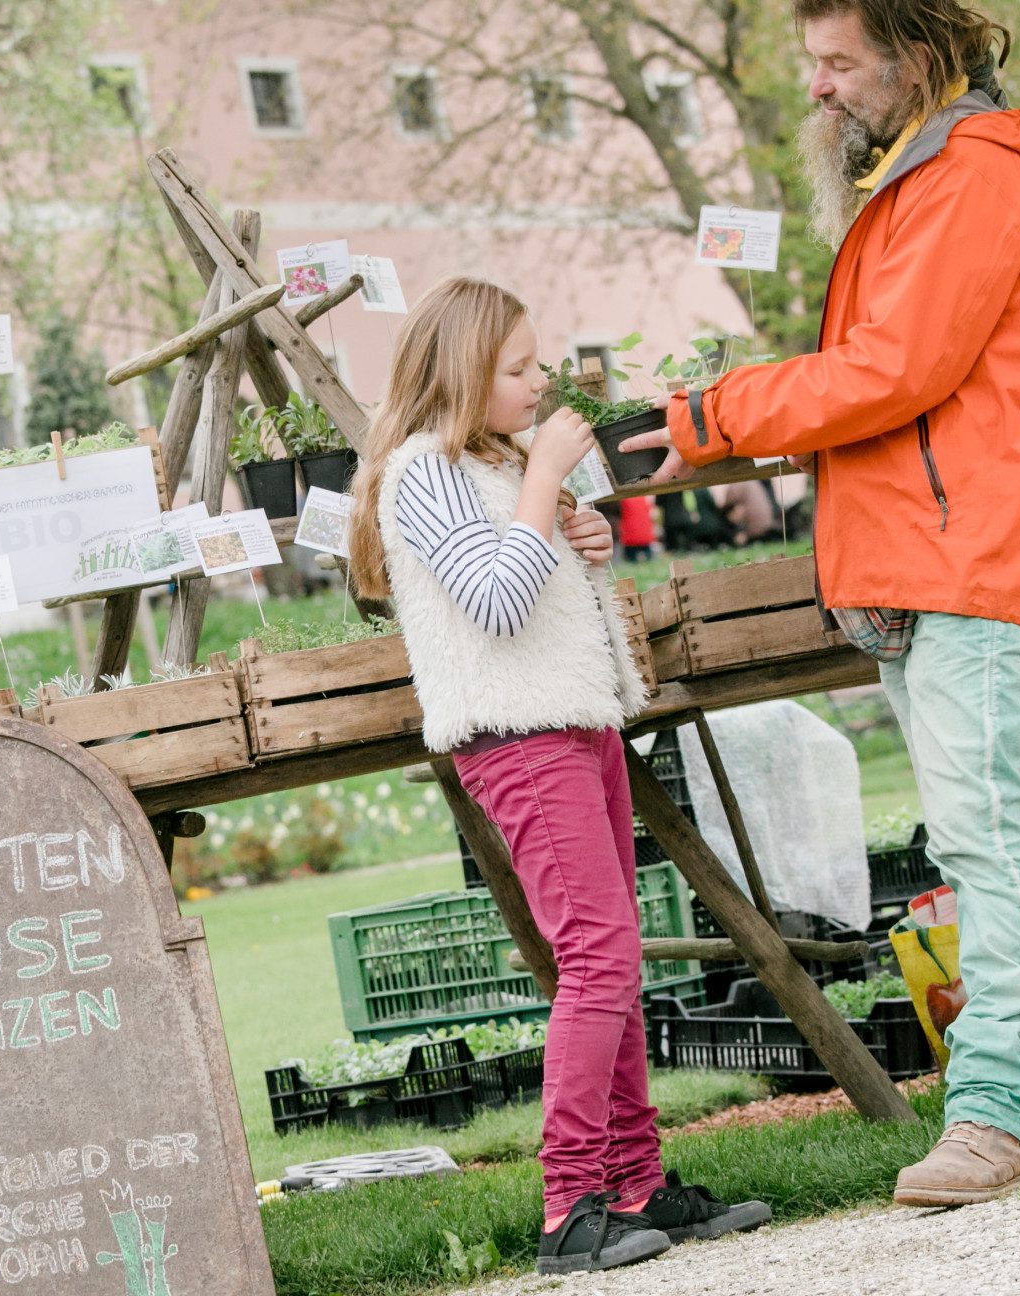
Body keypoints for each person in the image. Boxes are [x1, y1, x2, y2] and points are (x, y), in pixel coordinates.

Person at [622, 0, 1020, 1208]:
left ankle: (990, 1112)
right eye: (809, 63)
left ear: (914, 61)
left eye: (836, 63)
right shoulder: (923, 179)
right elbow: (893, 378)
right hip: (935, 553)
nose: (815, 88)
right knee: (1005, 838)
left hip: (971, 551)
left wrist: (711, 417)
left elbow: (893, 371)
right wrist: (719, 418)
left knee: (978, 839)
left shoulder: (971, 174)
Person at [349, 278, 771, 1271]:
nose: (543, 384)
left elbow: (522, 577)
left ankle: (633, 1188)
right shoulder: (424, 471)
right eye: (519, 369)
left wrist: (572, 536)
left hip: (575, 725)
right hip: (518, 737)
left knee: (612, 958)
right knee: (596, 962)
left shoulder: (487, 467)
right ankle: (569, 1207)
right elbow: (493, 603)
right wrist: (543, 486)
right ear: (460, 375)